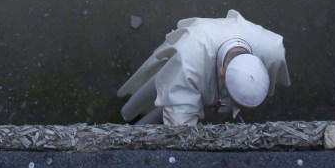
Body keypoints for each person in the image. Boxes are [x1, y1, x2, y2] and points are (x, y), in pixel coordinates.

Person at [117, 10, 290, 125]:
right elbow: (180, 122)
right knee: (156, 105)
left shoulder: (271, 50)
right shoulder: (188, 63)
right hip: (182, 69)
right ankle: (134, 117)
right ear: (222, 73)